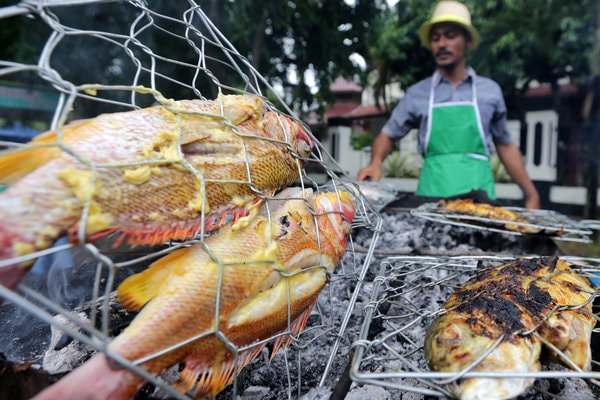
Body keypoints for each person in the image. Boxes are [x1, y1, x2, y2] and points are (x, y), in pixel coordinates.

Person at [357, 0, 540, 209]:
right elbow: (388, 133)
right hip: (430, 199)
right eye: (435, 38)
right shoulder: (418, 93)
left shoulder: (490, 91)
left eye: (450, 36)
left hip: (480, 201)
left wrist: (531, 193)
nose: (441, 44)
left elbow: (506, 145)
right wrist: (376, 162)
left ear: (467, 41)